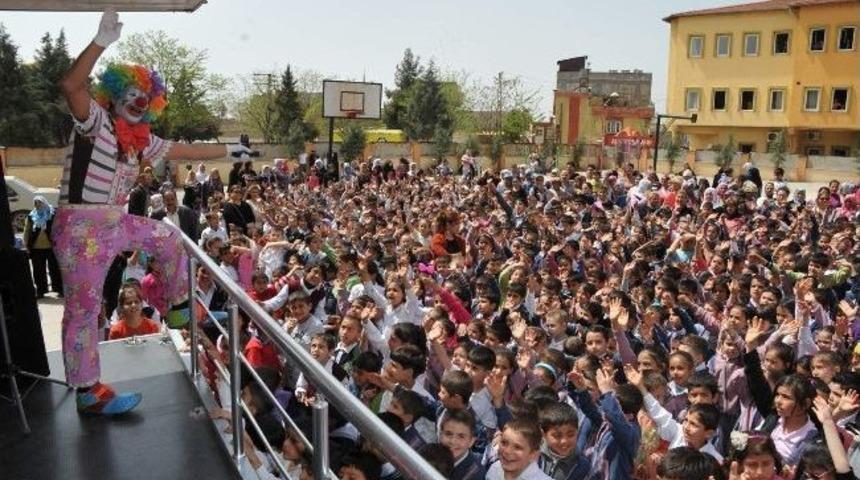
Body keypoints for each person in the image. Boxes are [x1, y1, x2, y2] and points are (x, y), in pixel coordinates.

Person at [55, 9, 250, 415]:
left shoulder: (140, 141)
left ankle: (178, 306)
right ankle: (88, 391)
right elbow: (72, 84)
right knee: (84, 309)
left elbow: (186, 149)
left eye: (145, 101)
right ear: (115, 97)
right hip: (80, 228)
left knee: (167, 236)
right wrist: (101, 42)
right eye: (131, 97)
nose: (138, 104)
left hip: (115, 221)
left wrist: (233, 150)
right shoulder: (97, 124)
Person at [23, 195, 63, 298]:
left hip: (51, 247)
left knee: (55, 269)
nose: (37, 205)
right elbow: (27, 231)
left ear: (44, 202)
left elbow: (59, 229)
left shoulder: (52, 214)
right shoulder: (32, 216)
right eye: (35, 203)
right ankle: (41, 290)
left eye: (39, 202)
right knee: (38, 270)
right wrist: (26, 244)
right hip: (36, 248)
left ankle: (59, 289)